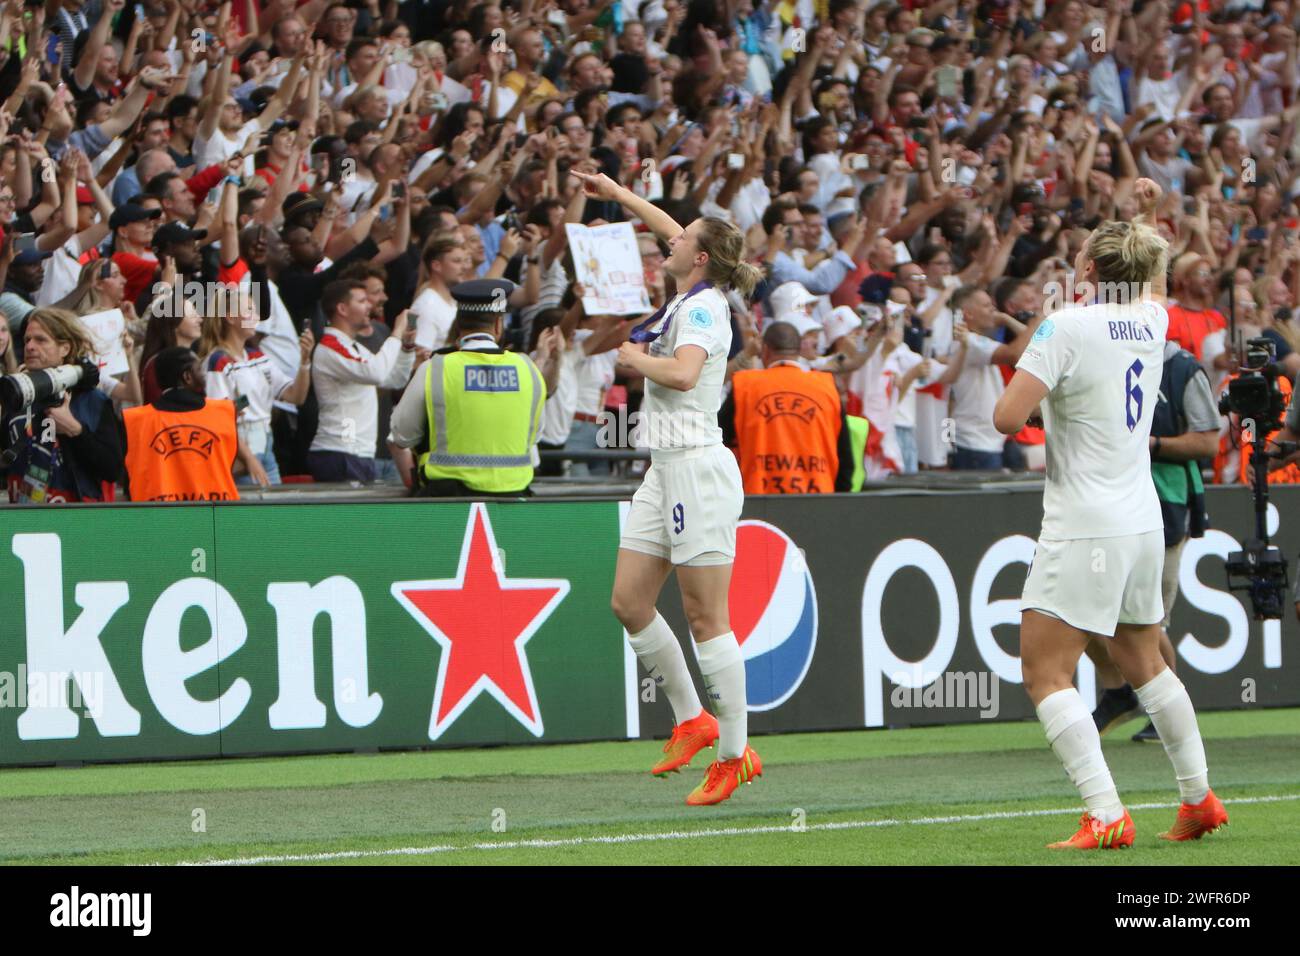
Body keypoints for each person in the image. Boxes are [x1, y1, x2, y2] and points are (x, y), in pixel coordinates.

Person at [993, 179, 1227, 849]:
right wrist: (1144, 215)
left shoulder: (1064, 326)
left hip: (1085, 520)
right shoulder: (1154, 319)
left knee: (1044, 672)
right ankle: (1199, 798)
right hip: (1142, 518)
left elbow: (1007, 417)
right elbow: (1148, 277)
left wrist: (1055, 398)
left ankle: (1104, 813)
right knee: (1146, 663)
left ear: (1088, 271)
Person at [575, 169, 763, 807]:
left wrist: (634, 359)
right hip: (664, 467)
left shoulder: (706, 307)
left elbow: (683, 375)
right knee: (629, 601)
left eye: (683, 239)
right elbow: (669, 229)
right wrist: (617, 193)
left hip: (697, 467)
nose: (671, 241)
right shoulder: (691, 294)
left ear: (700, 257)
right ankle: (692, 720)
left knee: (709, 617)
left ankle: (734, 755)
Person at [1088, 337, 1219, 742]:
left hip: (1166, 504)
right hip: (1105, 503)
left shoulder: (1181, 367)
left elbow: (1209, 441)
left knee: (1146, 622)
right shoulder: (1098, 355)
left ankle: (1170, 716)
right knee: (1086, 608)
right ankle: (1116, 692)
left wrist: (1152, 445)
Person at [389, 278, 548, 496]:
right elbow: (533, 437)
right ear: (498, 325)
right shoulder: (528, 369)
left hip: (449, 503)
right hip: (514, 498)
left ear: (459, 324)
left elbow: (401, 435)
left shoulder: (435, 368)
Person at [1, 308, 122, 504]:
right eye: (27, 340)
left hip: (76, 520)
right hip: (23, 519)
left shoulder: (92, 400)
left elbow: (113, 470)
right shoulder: (16, 399)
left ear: (64, 349)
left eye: (41, 340)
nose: (30, 346)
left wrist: (76, 430)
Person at [721, 320, 854, 494]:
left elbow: (719, 441)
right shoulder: (826, 387)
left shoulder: (745, 385)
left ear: (765, 350)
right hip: (818, 500)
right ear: (799, 351)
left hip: (759, 502)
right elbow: (845, 457)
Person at [309, 279, 415, 482]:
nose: (369, 306)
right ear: (342, 308)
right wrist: (396, 333)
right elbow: (375, 372)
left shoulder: (353, 347)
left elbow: (394, 379)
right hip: (340, 451)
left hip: (357, 453)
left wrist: (407, 347)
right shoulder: (331, 346)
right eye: (362, 301)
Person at [121, 347, 241, 502]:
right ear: (187, 377)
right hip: (216, 519)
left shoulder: (136, 421)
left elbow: (127, 484)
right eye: (199, 368)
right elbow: (232, 466)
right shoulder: (224, 412)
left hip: (156, 520)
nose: (204, 374)